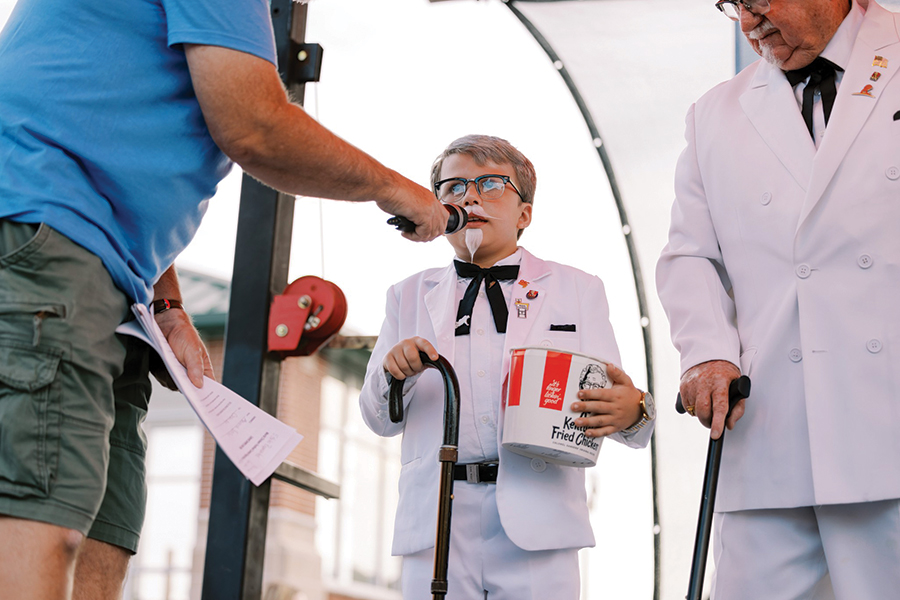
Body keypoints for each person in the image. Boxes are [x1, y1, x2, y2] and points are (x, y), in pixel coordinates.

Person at [0, 0, 448, 598]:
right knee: (42, 516)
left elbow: (112, 147)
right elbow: (255, 126)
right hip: (46, 243)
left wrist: (168, 305)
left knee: (104, 532)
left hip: (119, 284)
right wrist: (393, 188)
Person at [656, 0, 900, 597]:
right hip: (769, 433)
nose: (747, 21)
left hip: (888, 426)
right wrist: (706, 352)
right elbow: (690, 255)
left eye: (758, 1)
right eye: (733, 5)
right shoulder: (713, 113)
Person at [360, 135, 656, 599]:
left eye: (491, 185)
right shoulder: (407, 295)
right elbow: (377, 418)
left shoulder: (578, 289)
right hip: (437, 519)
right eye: (454, 187)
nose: (470, 198)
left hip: (540, 515)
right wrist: (393, 374)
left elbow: (615, 403)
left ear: (524, 214)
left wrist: (634, 410)